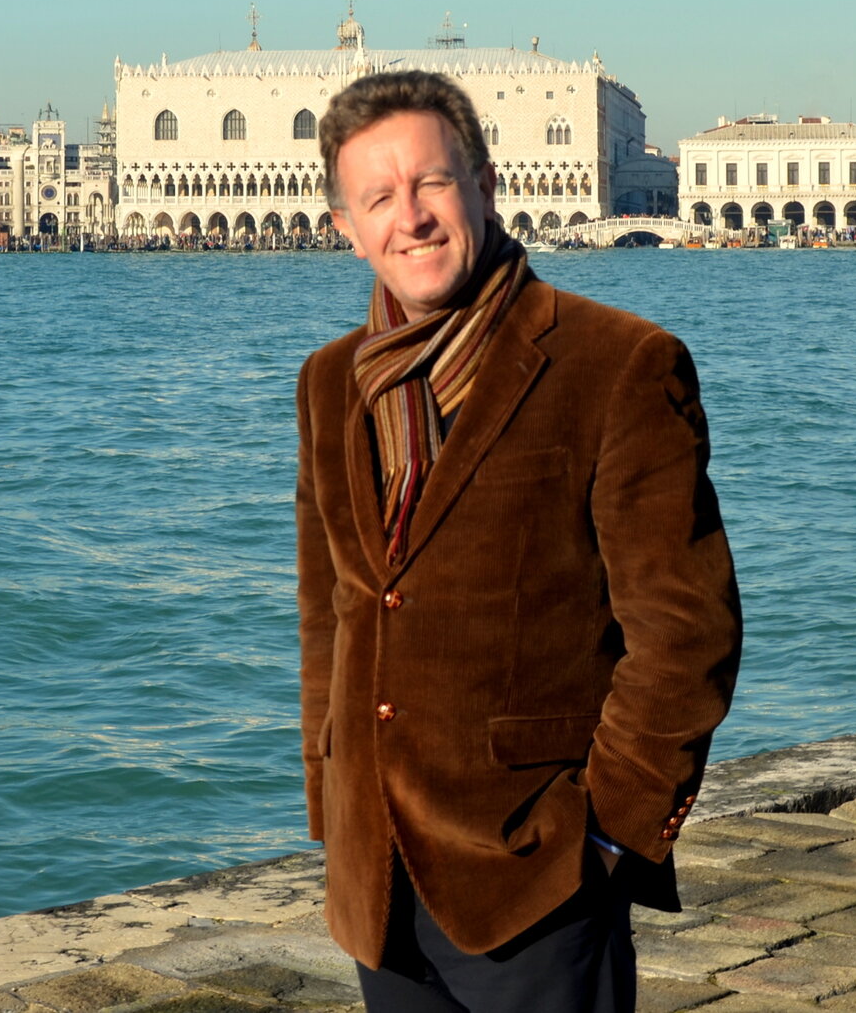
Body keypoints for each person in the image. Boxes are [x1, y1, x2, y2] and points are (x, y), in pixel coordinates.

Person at [296, 70, 744, 1013]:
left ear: (486, 185)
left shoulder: (618, 363)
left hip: (538, 881)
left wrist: (608, 840)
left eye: (432, 184)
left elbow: (686, 632)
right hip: (378, 881)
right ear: (346, 225)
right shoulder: (329, 382)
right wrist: (333, 808)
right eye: (379, 198)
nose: (410, 218)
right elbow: (331, 616)